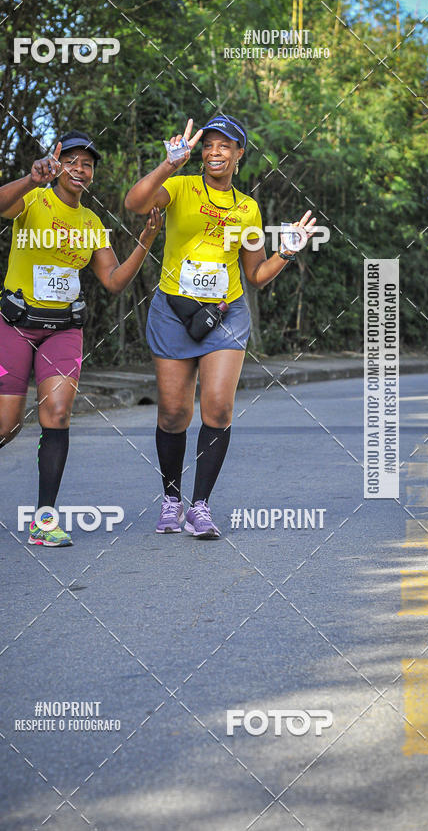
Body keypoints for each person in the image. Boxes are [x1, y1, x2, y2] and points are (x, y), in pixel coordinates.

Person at [0, 130, 161, 547]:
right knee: (6, 426)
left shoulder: (92, 223)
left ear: (92, 175)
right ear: (56, 162)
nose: (79, 169)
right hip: (13, 324)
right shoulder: (34, 199)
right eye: (72, 160)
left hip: (63, 330)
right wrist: (31, 179)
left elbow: (114, 281)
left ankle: (44, 519)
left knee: (57, 414)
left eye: (88, 164)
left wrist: (145, 243)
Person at [124, 115, 316, 539]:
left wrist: (286, 252)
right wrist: (168, 164)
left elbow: (257, 274)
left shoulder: (247, 207)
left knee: (219, 407)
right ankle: (171, 498)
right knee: (174, 412)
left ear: (239, 154)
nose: (215, 151)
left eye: (225, 145)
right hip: (173, 310)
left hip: (226, 315)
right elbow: (135, 204)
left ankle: (200, 507)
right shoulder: (179, 187)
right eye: (209, 144)